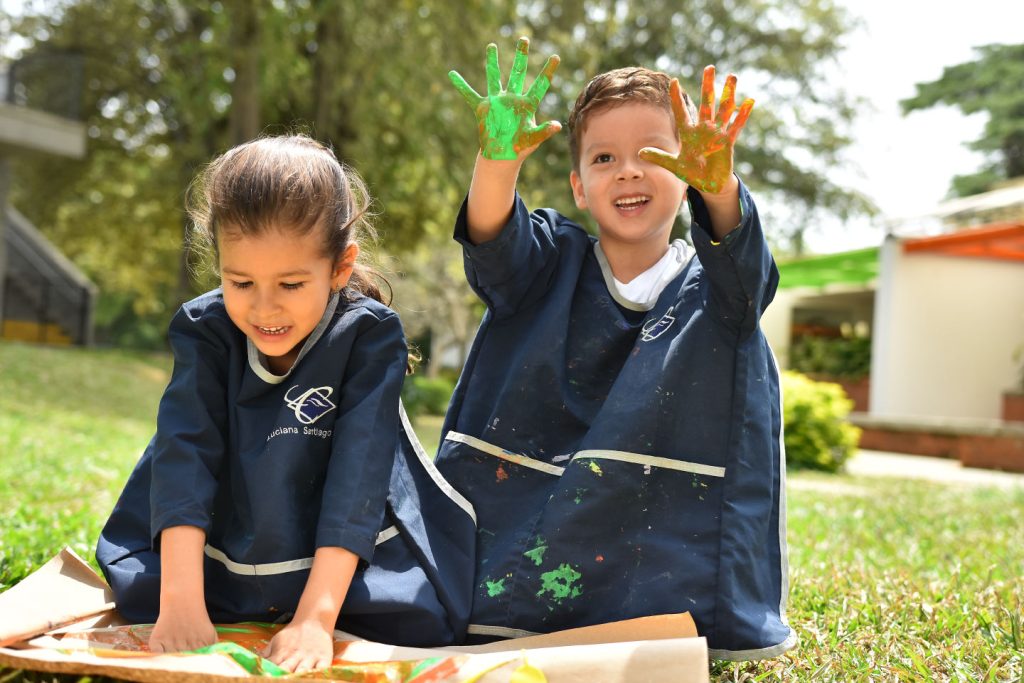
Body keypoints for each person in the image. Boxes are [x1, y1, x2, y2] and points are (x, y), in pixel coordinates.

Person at [440, 38, 795, 660]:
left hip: (658, 542)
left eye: (652, 153)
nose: (628, 170)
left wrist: (722, 190)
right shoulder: (548, 264)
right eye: (604, 157)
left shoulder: (716, 286)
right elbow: (494, 246)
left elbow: (750, 279)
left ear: (688, 173)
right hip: (533, 522)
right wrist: (496, 162)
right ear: (579, 185)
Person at [96, 135, 475, 672]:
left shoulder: (370, 336)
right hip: (222, 536)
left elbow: (359, 477)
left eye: (292, 283)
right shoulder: (204, 329)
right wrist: (180, 603)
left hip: (335, 548)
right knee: (144, 590)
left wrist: (316, 621)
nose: (263, 307)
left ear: (341, 267)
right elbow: (184, 457)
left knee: (415, 617)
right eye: (240, 281)